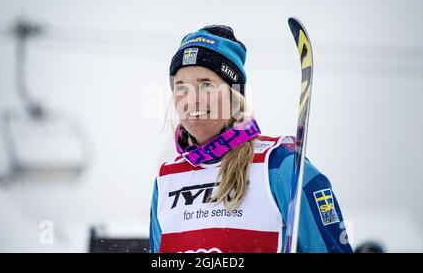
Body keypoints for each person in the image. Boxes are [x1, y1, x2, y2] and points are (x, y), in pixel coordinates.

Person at [149, 25, 353, 253]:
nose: (191, 99)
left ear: (234, 95)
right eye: (181, 87)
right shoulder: (167, 180)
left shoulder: (282, 165)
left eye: (206, 85)